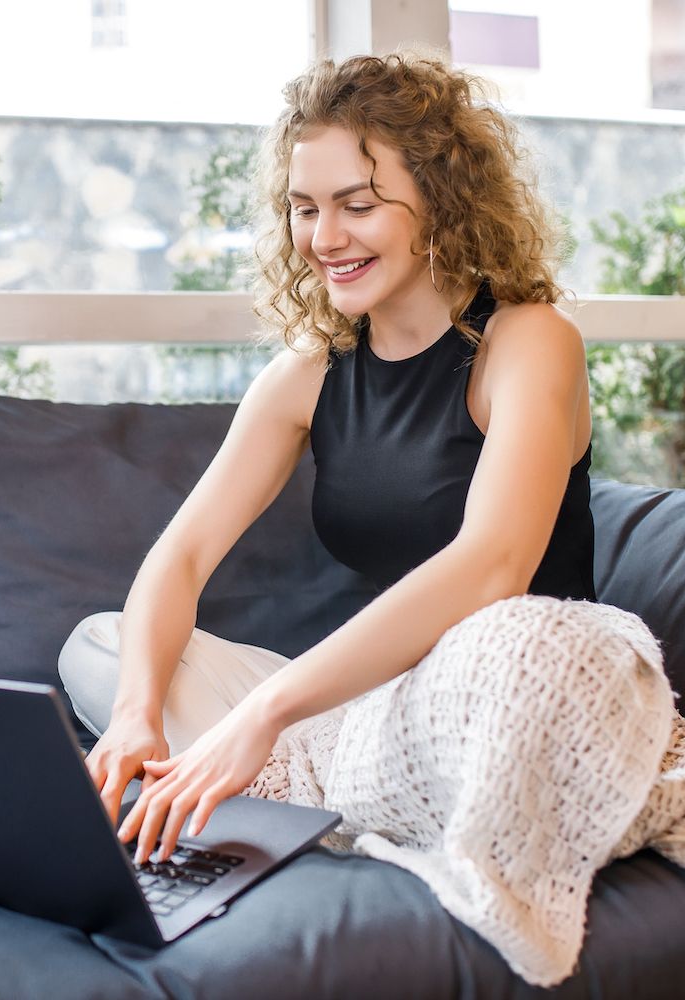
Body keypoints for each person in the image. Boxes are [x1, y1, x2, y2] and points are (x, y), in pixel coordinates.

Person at [58, 49, 593, 866]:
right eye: (304, 209)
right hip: (383, 713)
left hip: (510, 705)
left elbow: (492, 566)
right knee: (103, 646)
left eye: (358, 205)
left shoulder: (527, 341)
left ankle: (304, 795)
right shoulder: (309, 374)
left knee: (283, 713)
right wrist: (135, 715)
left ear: (442, 202)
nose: (324, 238)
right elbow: (182, 556)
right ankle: (332, 799)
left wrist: (264, 713)